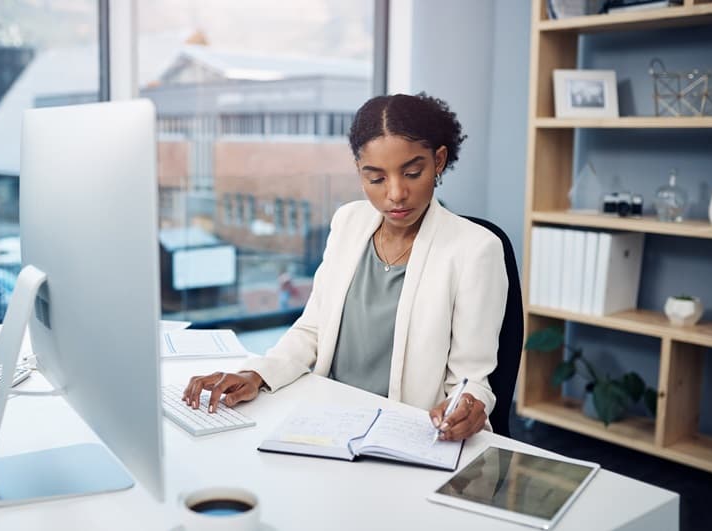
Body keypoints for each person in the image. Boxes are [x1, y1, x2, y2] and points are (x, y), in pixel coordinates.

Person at [184, 93, 508, 442]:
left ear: (439, 161)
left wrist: (469, 405)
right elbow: (312, 329)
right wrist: (255, 375)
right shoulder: (348, 222)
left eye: (412, 172)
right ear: (359, 172)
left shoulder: (476, 249)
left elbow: (471, 378)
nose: (396, 193)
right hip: (328, 423)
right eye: (376, 178)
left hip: (408, 437)